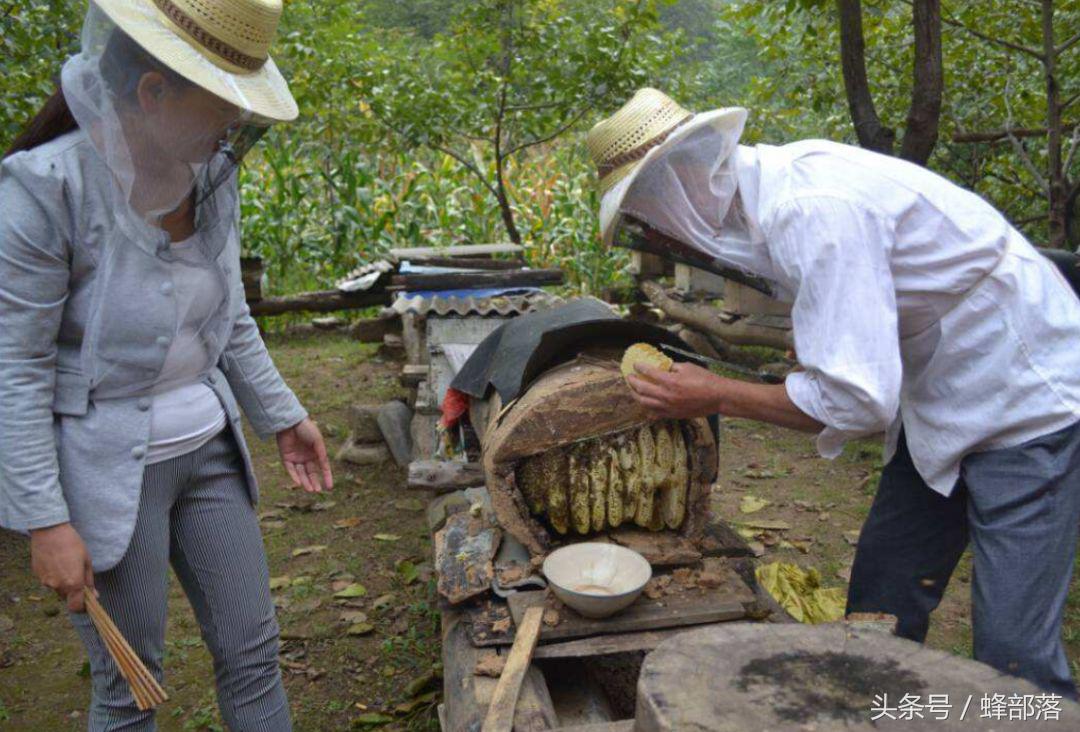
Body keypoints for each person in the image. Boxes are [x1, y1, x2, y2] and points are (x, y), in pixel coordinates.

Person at [588, 88, 1080, 697]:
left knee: (1013, 656)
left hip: (1026, 395)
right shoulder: (766, 195)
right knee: (883, 599)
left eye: (647, 204)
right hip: (938, 396)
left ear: (684, 175)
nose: (654, 224)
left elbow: (856, 403)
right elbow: (876, 303)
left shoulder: (810, 207)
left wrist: (716, 393)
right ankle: (885, 711)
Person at [0, 1, 332, 729]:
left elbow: (229, 315)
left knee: (254, 654)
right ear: (154, 92)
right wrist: (44, 522)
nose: (232, 132)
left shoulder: (208, 174)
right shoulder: (45, 189)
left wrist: (284, 415)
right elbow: (15, 369)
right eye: (222, 109)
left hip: (208, 449)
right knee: (128, 685)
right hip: (107, 471)